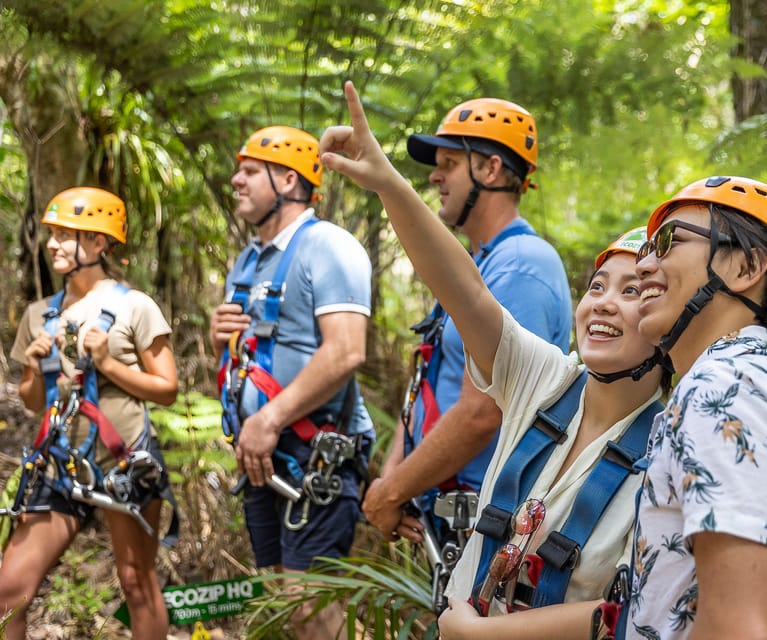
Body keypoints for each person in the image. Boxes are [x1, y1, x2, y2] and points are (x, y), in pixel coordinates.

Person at [318, 81, 667, 640]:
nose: (603, 300)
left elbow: (641, 612)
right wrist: (387, 183)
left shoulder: (674, 449)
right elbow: (465, 291)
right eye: (598, 285)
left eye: (633, 292)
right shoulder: (547, 383)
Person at [619, 176, 767, 639]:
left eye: (666, 242)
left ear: (746, 267)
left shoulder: (726, 389)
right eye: (645, 249)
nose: (642, 265)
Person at [361, 94, 573, 549]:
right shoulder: (485, 263)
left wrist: (392, 490)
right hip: (449, 515)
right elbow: (431, 375)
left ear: (491, 170)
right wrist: (396, 483)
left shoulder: (520, 265)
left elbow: (483, 410)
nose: (435, 175)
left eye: (450, 162)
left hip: (488, 523)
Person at [210, 125, 375, 639]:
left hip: (316, 455)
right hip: (264, 454)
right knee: (287, 604)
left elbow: (347, 350)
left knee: (311, 610)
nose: (236, 180)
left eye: (250, 171)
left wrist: (270, 417)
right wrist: (220, 339)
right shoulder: (250, 259)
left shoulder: (327, 244)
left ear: (289, 180)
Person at [0, 187, 178, 640]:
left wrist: (109, 364)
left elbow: (167, 389)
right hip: (60, 465)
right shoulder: (40, 315)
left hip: (122, 463)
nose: (53, 244)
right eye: (52, 234)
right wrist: (35, 370)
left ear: (99, 244)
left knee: (138, 585)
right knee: (8, 592)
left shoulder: (134, 306)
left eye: (66, 235)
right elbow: (33, 401)